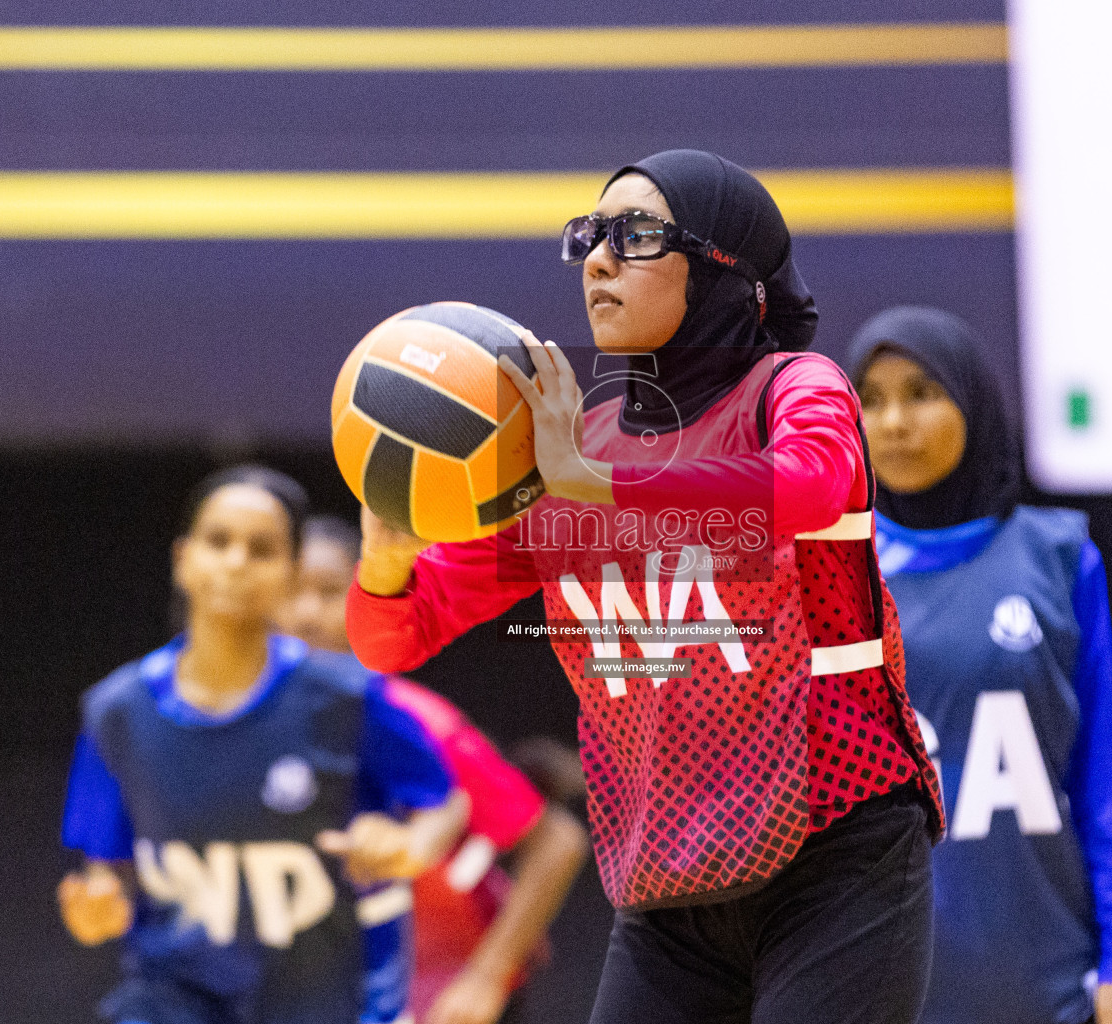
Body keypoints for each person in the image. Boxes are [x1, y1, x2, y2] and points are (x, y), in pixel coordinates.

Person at [346, 150, 944, 1024]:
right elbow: (391, 640)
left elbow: (810, 484)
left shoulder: (795, 387)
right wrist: (387, 562)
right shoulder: (573, 457)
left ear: (724, 268)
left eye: (637, 236)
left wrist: (598, 482)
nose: (597, 259)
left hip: (835, 854)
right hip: (669, 881)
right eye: (591, 236)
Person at [57, 465, 467, 1024]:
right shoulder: (118, 712)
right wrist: (98, 906)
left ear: (293, 573)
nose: (235, 562)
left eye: (261, 548)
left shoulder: (346, 698)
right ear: (183, 558)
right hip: (175, 1001)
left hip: (330, 1001)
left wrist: (412, 846)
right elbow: (108, 870)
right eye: (218, 541)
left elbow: (446, 802)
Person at [844, 307, 1112, 1024]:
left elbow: (1101, 777)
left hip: (1040, 970)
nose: (893, 422)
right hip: (875, 973)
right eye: (871, 398)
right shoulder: (830, 563)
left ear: (976, 401)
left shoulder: (1061, 556)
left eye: (922, 392)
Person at [280, 515, 590, 1024]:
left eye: (330, 592)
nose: (307, 615)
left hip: (440, 999)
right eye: (292, 592)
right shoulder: (242, 725)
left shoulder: (418, 723)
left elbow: (557, 842)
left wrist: (486, 977)